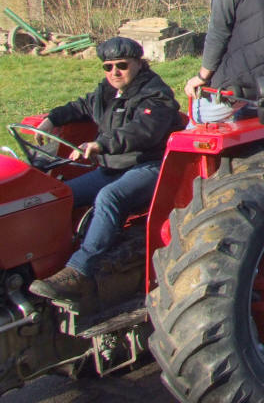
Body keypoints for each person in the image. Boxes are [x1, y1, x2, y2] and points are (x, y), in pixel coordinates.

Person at [28, 37, 184, 304]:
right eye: (108, 66)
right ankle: (40, 263)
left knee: (109, 197)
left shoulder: (156, 95)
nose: (114, 72)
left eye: (122, 65)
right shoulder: (108, 92)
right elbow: (81, 105)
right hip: (113, 168)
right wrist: (51, 120)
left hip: (151, 167)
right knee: (59, 196)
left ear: (138, 64)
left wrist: (101, 144)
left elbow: (143, 132)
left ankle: (78, 271)